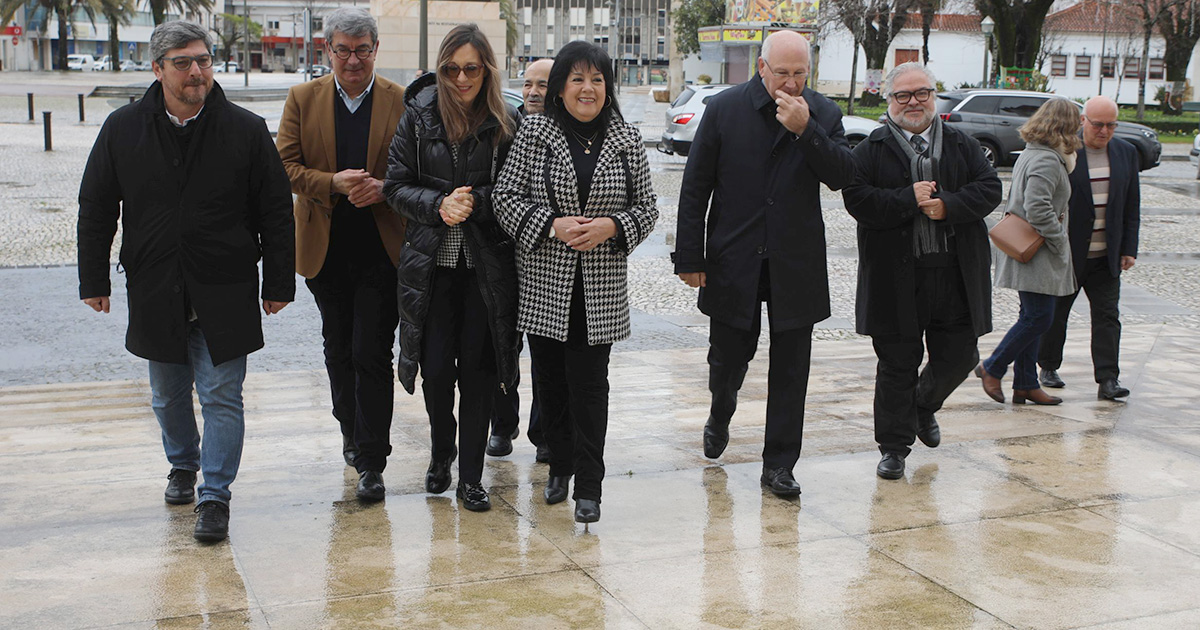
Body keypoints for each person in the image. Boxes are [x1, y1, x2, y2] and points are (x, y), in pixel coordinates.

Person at [77, 21, 294, 542]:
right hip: (155, 284)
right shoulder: (122, 128)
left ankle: (215, 496)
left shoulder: (245, 129)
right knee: (167, 397)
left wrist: (278, 282)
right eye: (182, 62)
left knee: (222, 396)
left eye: (203, 60)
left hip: (226, 285)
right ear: (158, 69)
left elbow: (275, 210)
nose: (196, 71)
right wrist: (93, 279)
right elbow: (96, 206)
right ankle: (182, 464)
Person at [672, 30, 855, 497]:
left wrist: (806, 130)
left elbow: (842, 175)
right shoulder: (725, 109)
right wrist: (690, 255)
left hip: (796, 261)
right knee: (728, 356)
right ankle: (721, 409)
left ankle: (779, 465)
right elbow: (696, 186)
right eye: (783, 73)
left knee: (792, 369)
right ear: (762, 68)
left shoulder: (823, 113)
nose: (791, 84)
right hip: (734, 257)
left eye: (800, 74)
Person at [494, 41, 658, 524]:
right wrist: (552, 225)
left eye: (597, 80)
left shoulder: (627, 138)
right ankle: (559, 466)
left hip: (600, 285)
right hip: (546, 281)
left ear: (608, 87)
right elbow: (505, 198)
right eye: (578, 79)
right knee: (551, 384)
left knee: (590, 386)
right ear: (561, 88)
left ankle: (590, 486)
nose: (588, 89)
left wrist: (613, 226)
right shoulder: (535, 133)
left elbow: (647, 207)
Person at [383, 23, 520, 513]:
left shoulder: (506, 121)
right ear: (440, 70)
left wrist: (475, 202)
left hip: (486, 269)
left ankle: (472, 477)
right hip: (432, 267)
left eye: (471, 69)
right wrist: (439, 204)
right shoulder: (418, 116)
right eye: (452, 69)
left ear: (487, 71)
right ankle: (442, 453)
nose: (462, 79)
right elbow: (394, 186)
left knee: (479, 374)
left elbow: (517, 191)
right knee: (437, 370)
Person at [842, 63, 1003, 480]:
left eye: (922, 93)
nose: (913, 102)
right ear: (889, 101)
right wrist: (906, 199)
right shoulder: (870, 150)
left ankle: (923, 405)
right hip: (896, 278)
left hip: (955, 275)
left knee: (960, 356)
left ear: (934, 96)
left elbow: (990, 188)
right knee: (897, 364)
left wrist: (949, 206)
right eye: (903, 95)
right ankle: (893, 448)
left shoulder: (963, 144)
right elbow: (858, 201)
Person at [276, 8, 407, 502]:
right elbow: (283, 166)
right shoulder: (303, 98)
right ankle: (349, 431)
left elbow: (418, 170)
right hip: (325, 250)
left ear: (376, 50)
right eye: (344, 50)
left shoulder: (401, 100)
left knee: (371, 350)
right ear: (327, 49)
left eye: (363, 50)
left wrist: (385, 188)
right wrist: (331, 182)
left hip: (383, 249)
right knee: (338, 348)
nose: (353, 60)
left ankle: (372, 460)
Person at [977, 98, 1081, 406]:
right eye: (1077, 121)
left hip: (1032, 248)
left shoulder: (1035, 152)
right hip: (1037, 250)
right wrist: (1059, 240)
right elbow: (1037, 208)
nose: (1081, 127)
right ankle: (992, 366)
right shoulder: (1047, 159)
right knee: (1039, 318)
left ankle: (1025, 383)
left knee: (1032, 315)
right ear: (1065, 125)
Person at [1037, 96, 1140, 401]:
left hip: (1106, 254)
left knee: (1108, 317)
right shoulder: (1065, 151)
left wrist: (1129, 248)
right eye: (1098, 124)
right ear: (1083, 121)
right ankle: (1048, 366)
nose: (1104, 131)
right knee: (1057, 313)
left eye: (1111, 125)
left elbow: (1131, 204)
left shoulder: (1126, 152)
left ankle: (1108, 379)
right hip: (1068, 253)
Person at [487, 56, 554, 461]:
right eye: (528, 83)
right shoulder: (504, 127)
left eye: (542, 84)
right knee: (501, 345)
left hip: (546, 260)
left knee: (546, 351)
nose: (532, 92)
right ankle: (502, 423)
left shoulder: (566, 133)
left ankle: (543, 431)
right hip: (501, 255)